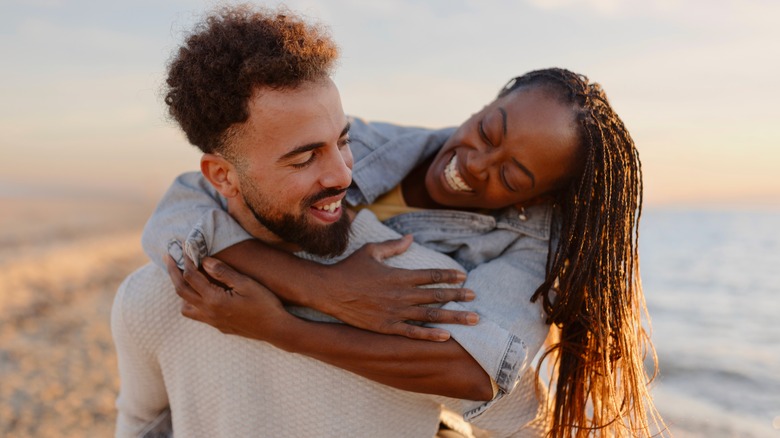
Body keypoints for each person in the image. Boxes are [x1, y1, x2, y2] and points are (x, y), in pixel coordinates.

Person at [139, 29, 666, 438]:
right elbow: (184, 205)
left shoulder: (529, 243)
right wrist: (323, 288)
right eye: (488, 130)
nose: (474, 162)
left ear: (541, 197)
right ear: (488, 103)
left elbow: (474, 371)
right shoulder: (366, 144)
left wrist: (280, 328)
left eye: (511, 176)